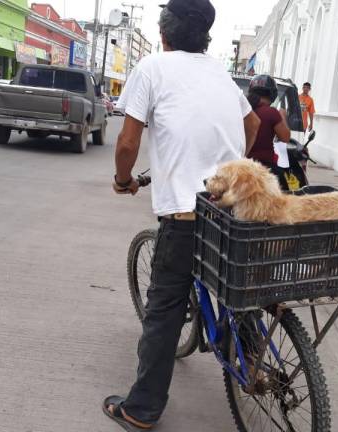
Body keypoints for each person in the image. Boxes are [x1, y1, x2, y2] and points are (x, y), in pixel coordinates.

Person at [105, 0, 261, 429]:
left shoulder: (152, 68)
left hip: (186, 213)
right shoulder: (221, 75)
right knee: (239, 285)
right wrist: (227, 167)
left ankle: (142, 409)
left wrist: (123, 180)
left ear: (164, 33)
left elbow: (126, 144)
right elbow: (252, 128)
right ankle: (254, 357)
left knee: (165, 308)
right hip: (233, 207)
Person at [247, 74, 291, 190]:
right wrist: (283, 116)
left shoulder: (244, 110)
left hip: (243, 166)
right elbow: (285, 138)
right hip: (265, 168)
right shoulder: (272, 113)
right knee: (287, 190)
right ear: (272, 94)